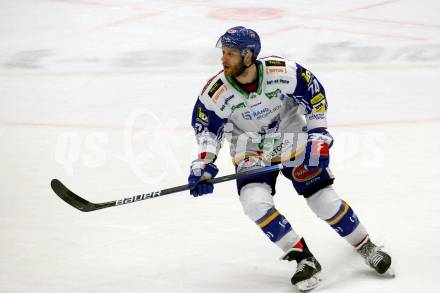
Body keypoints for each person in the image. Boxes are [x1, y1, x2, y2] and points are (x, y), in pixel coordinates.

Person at [187, 26, 392, 291]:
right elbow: (207, 131)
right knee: (253, 202)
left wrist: (318, 137)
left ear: (249, 56)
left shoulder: (282, 72)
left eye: (231, 54)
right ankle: (302, 257)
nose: (223, 60)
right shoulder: (215, 92)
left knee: (322, 199)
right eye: (223, 53)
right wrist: (203, 164)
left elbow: (314, 98)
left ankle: (366, 246)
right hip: (249, 146)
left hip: (290, 135)